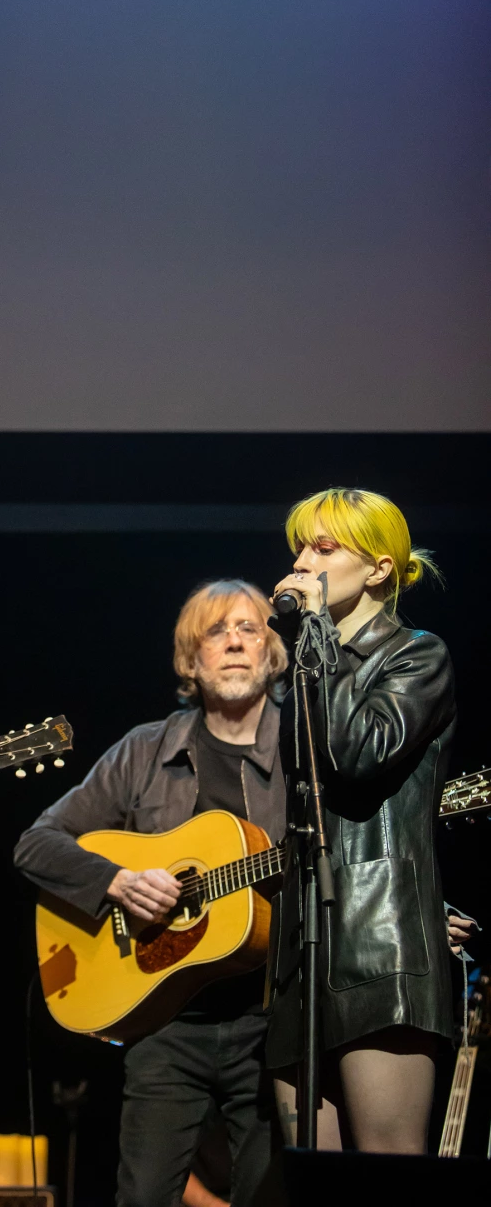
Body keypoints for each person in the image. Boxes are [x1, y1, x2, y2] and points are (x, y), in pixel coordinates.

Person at [15, 579, 289, 1207]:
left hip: (273, 1021)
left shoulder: (306, 751)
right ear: (191, 659)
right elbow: (35, 844)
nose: (234, 643)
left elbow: (356, 851)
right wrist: (114, 880)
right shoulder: (145, 749)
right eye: (215, 632)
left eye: (250, 628)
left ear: (273, 651)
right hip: (165, 1019)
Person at [267, 488, 455, 1154]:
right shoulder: (305, 672)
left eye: (323, 548)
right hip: (303, 947)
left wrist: (316, 633)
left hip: (382, 941)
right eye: (298, 548)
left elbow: (356, 757)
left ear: (378, 568)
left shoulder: (418, 656)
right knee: (305, 1184)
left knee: (384, 1179)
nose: (301, 563)